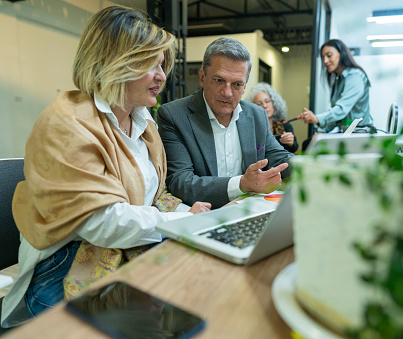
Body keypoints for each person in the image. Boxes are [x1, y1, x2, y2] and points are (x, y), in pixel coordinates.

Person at [1, 6, 211, 328]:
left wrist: (190, 210)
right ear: (114, 63)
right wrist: (183, 221)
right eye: (150, 65)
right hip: (64, 265)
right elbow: (100, 221)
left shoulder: (144, 123)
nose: (162, 76)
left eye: (162, 65)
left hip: (123, 250)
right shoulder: (66, 123)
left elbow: (154, 196)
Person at [157, 37, 293, 209]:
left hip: (249, 211)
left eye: (237, 84)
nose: (227, 93)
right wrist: (242, 184)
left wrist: (313, 168)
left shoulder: (257, 115)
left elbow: (277, 156)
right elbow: (181, 182)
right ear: (202, 77)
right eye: (219, 80)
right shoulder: (174, 115)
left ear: (244, 87)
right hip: (202, 215)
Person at [298, 39, 374, 149]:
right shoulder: (340, 80)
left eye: (329, 55)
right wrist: (321, 131)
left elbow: (341, 110)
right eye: (323, 57)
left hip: (359, 133)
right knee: (309, 143)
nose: (325, 61)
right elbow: (337, 117)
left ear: (341, 54)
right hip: (347, 132)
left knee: (310, 146)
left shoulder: (355, 76)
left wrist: (317, 118)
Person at [245, 82, 299, 153]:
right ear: (253, 108)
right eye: (259, 103)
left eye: (267, 101)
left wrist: (291, 143)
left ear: (274, 103)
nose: (265, 106)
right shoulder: (250, 128)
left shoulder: (285, 125)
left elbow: (294, 148)